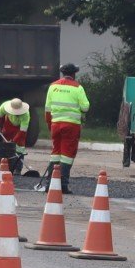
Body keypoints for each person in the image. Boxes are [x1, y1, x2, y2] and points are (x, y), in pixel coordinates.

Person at [42, 62, 91, 193]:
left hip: (55, 125)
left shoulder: (53, 86)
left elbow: (47, 109)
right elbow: (85, 107)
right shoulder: (78, 87)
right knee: (67, 155)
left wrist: (49, 125)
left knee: (55, 154)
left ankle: (49, 184)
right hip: (71, 126)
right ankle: (62, 185)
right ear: (74, 74)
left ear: (62, 73)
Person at [0, 96, 36, 178]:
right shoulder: (4, 106)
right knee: (5, 146)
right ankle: (4, 166)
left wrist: (13, 141)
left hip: (19, 129)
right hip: (8, 125)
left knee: (20, 147)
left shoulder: (26, 115)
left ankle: (18, 169)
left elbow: (22, 131)